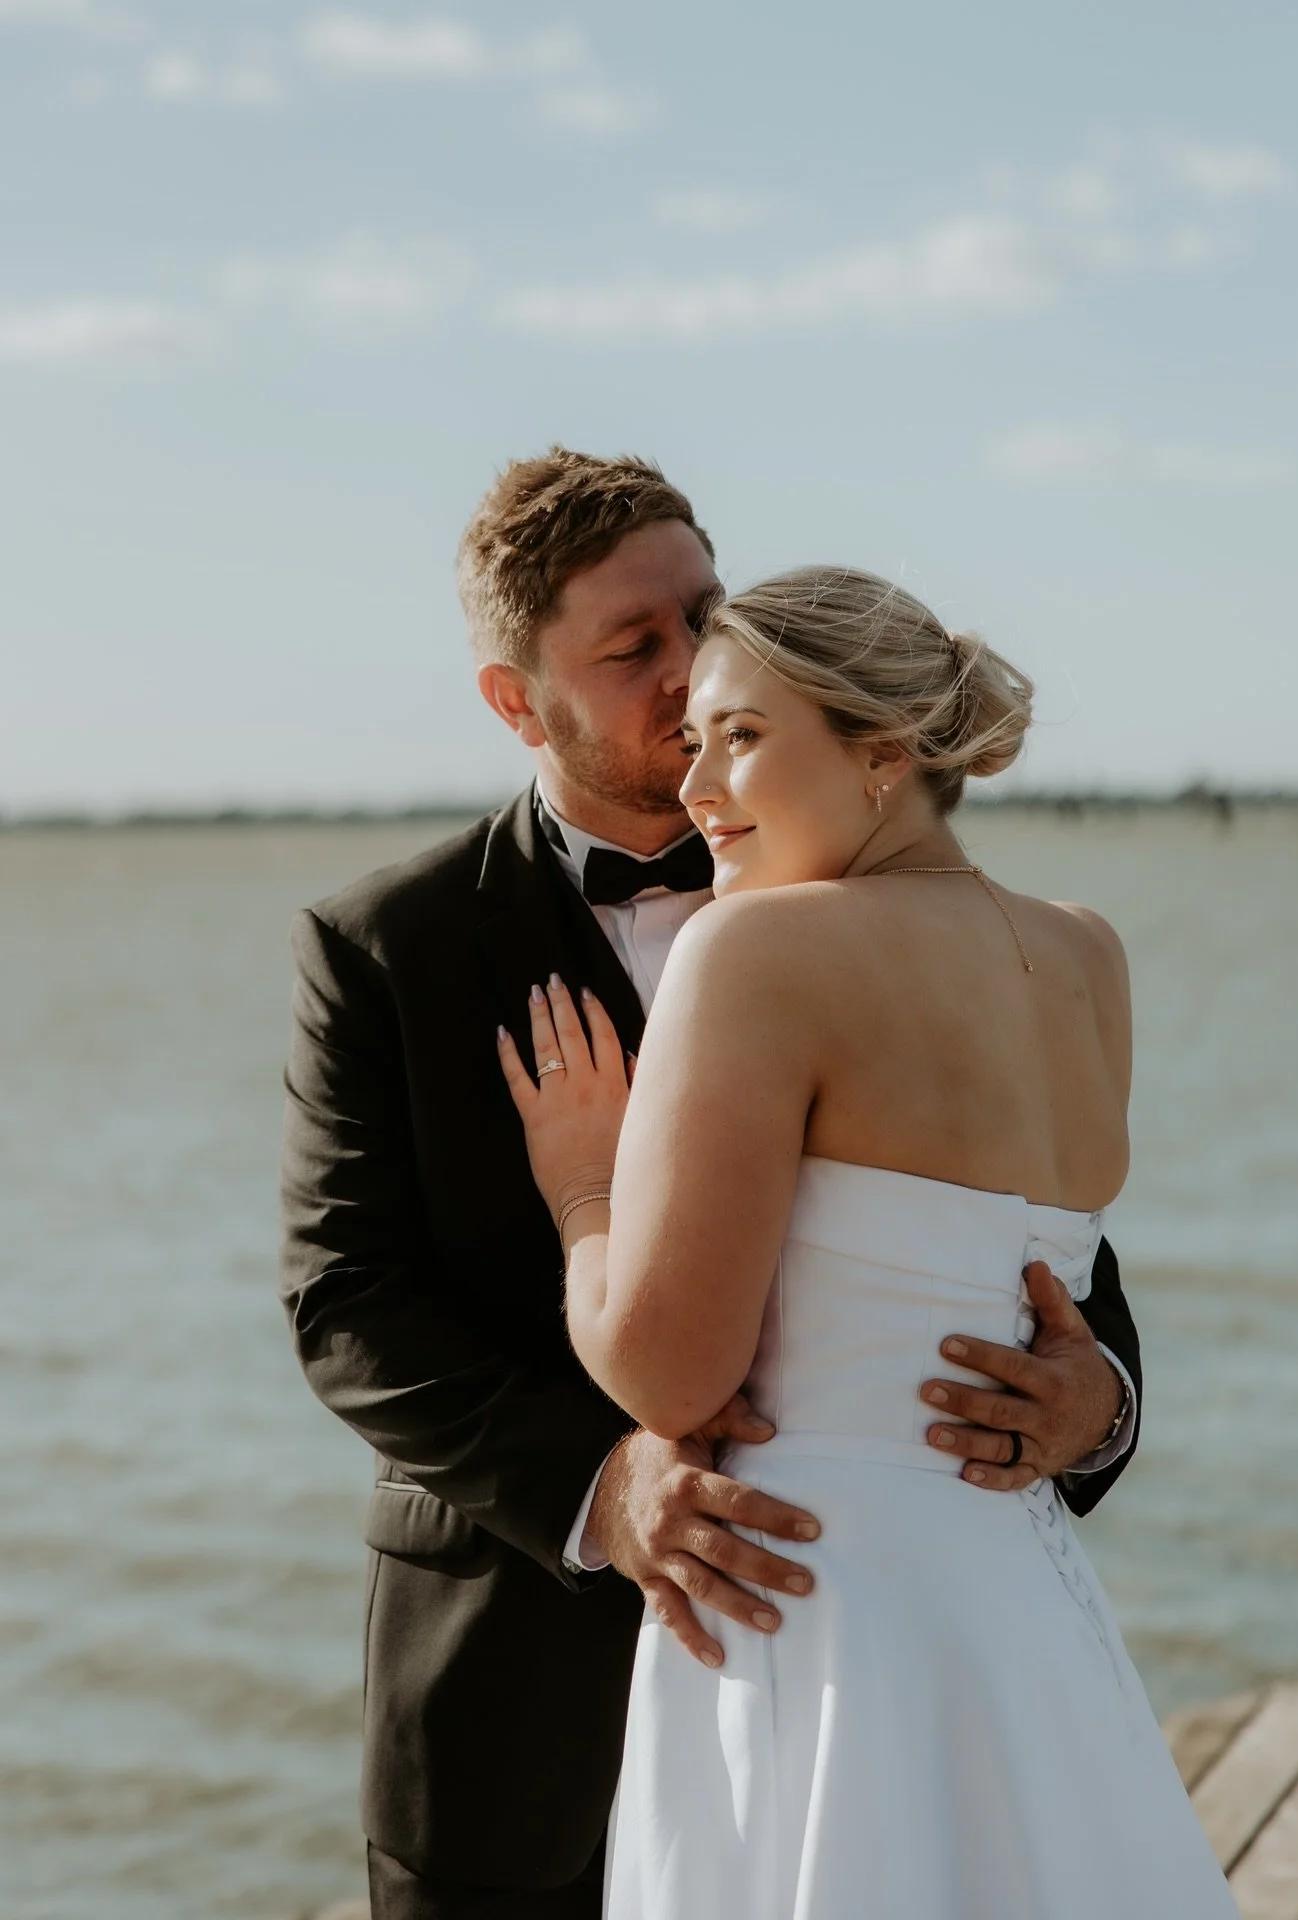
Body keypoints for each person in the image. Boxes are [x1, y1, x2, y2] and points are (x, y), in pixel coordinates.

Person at [279, 451, 1143, 1920]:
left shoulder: (876, 912)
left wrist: (1100, 1401)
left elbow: (1041, 1257)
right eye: (634, 650)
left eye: (705, 615)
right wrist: (602, 1488)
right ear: (515, 701)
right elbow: (345, 1303)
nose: (689, 676)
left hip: (863, 1675)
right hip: (514, 1696)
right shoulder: (390, 945)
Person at [498, 566, 1237, 1918]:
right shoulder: (1088, 954)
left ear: (885, 752)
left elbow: (669, 1375)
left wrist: (586, 1195)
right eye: (694, 736)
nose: (695, 781)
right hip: (1022, 1608)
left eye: (742, 735)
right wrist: (1101, 1403)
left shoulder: (755, 952)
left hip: (812, 1608)